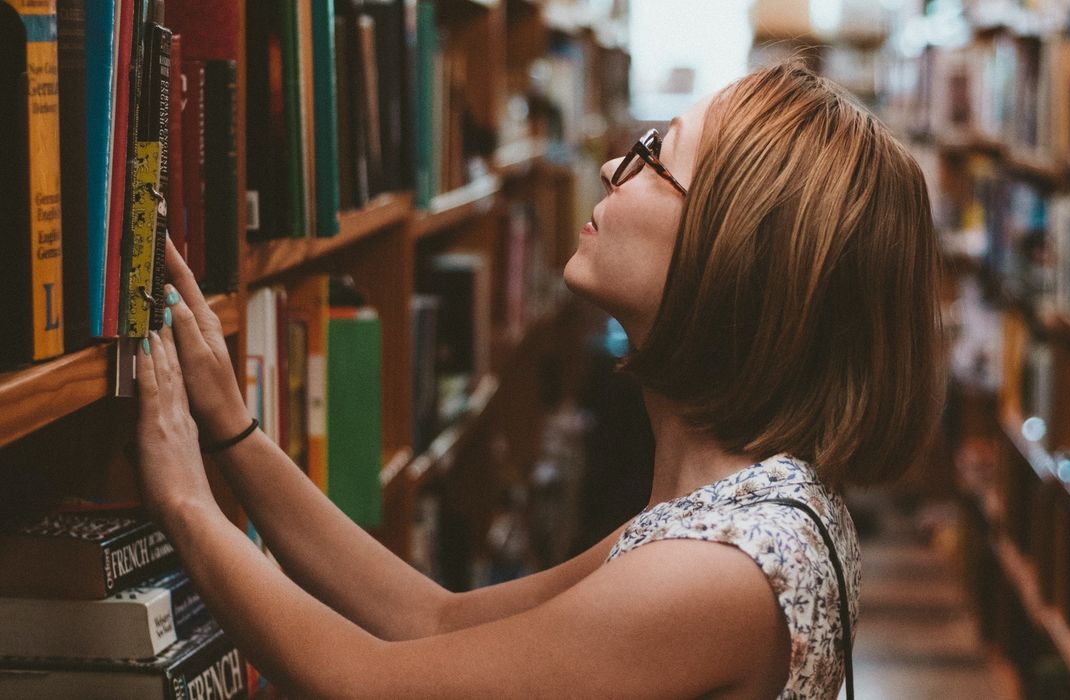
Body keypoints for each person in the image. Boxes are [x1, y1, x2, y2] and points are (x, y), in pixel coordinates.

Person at [136, 60, 944, 699]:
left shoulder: (716, 571)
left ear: (731, 253)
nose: (608, 166)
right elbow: (427, 619)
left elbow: (361, 681)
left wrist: (183, 499)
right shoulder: (729, 514)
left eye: (652, 155)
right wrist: (234, 436)